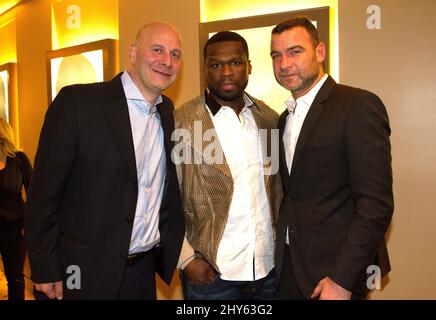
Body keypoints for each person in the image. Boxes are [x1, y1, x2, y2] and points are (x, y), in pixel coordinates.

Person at [24, 22, 185, 300]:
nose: (167, 61)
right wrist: (45, 267)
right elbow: (43, 195)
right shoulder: (78, 103)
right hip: (81, 270)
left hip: (143, 271)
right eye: (157, 50)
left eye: (175, 54)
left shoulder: (167, 112)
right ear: (133, 53)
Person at [270, 17, 393, 300]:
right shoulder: (282, 119)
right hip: (288, 269)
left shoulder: (358, 105)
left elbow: (376, 204)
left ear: (320, 52)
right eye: (276, 55)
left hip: (334, 273)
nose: (284, 64)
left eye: (295, 52)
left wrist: (342, 279)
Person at [173, 31, 282, 300]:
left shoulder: (269, 120)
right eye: (216, 64)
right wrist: (186, 259)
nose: (226, 72)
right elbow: (164, 198)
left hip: (268, 272)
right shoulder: (183, 122)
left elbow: (280, 191)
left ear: (249, 66)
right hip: (211, 275)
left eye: (235, 62)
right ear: (205, 69)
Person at [0, 118, 32, 300]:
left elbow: (34, 194)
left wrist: (28, 225)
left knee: (15, 277)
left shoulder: (19, 160)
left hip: (15, 229)